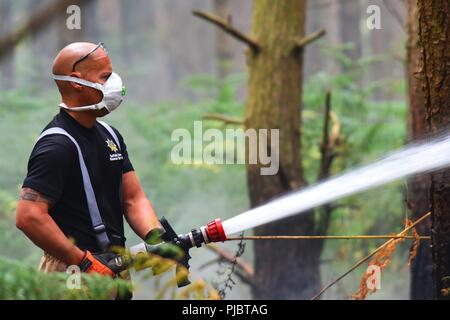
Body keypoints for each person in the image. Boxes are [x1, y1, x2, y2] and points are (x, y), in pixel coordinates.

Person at [15, 42, 162, 298]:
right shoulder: (56, 145)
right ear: (76, 81)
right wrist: (84, 262)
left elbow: (132, 198)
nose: (116, 84)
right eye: (105, 77)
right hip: (70, 272)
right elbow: (29, 216)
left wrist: (156, 238)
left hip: (113, 267)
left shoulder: (110, 135)